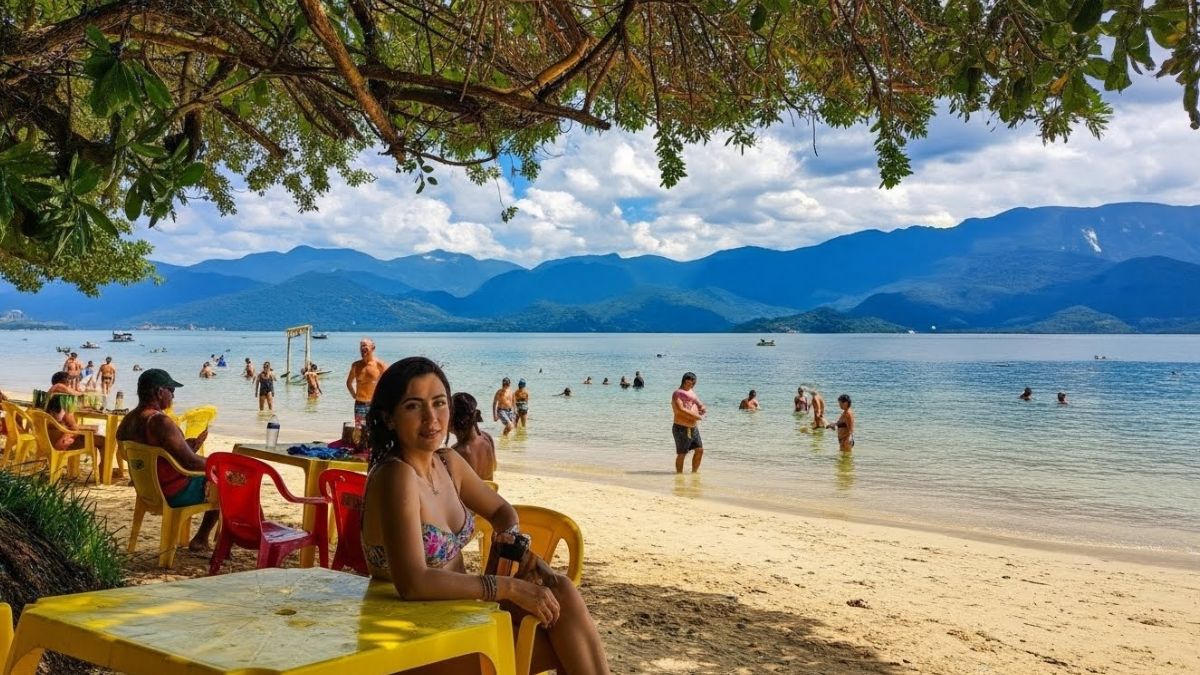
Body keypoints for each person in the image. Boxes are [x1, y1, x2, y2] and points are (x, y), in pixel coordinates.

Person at [359, 357, 609, 674]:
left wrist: (509, 543)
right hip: (414, 642)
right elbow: (413, 583)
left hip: (460, 621)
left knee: (560, 590)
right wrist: (506, 587)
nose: (431, 418)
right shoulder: (396, 476)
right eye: (413, 406)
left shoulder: (447, 463)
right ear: (389, 418)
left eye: (438, 403)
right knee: (568, 647)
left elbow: (502, 511)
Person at [115, 368, 217, 551]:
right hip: (173, 492)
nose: (173, 396)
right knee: (227, 480)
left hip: (148, 491)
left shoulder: (128, 420)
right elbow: (190, 463)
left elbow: (154, 454)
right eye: (172, 391)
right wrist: (221, 465)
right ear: (160, 392)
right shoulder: (159, 421)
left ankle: (203, 538)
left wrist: (187, 447)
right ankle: (201, 538)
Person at [44, 372, 103, 453]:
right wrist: (84, 392)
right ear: (63, 380)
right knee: (101, 437)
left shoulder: (57, 396)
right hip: (59, 436)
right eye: (69, 380)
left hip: (52, 432)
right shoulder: (58, 386)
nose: (70, 382)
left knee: (95, 429)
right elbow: (76, 394)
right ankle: (103, 465)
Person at [451, 392, 496, 480]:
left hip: (472, 493)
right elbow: (494, 467)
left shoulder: (457, 451)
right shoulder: (487, 437)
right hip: (490, 490)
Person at [347, 338, 387, 428]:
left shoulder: (379, 365)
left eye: (365, 345)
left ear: (373, 348)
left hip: (373, 404)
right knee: (359, 429)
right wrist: (354, 395)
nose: (362, 348)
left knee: (374, 430)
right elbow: (349, 383)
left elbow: (390, 381)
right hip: (359, 404)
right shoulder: (356, 365)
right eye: (361, 346)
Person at [671, 372, 706, 473]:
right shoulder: (677, 393)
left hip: (693, 428)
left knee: (700, 450)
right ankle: (679, 476)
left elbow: (698, 403)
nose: (693, 385)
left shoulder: (691, 392)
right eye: (691, 383)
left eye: (694, 383)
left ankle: (694, 473)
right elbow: (680, 409)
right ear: (685, 381)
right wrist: (696, 416)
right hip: (681, 427)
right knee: (682, 453)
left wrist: (702, 407)